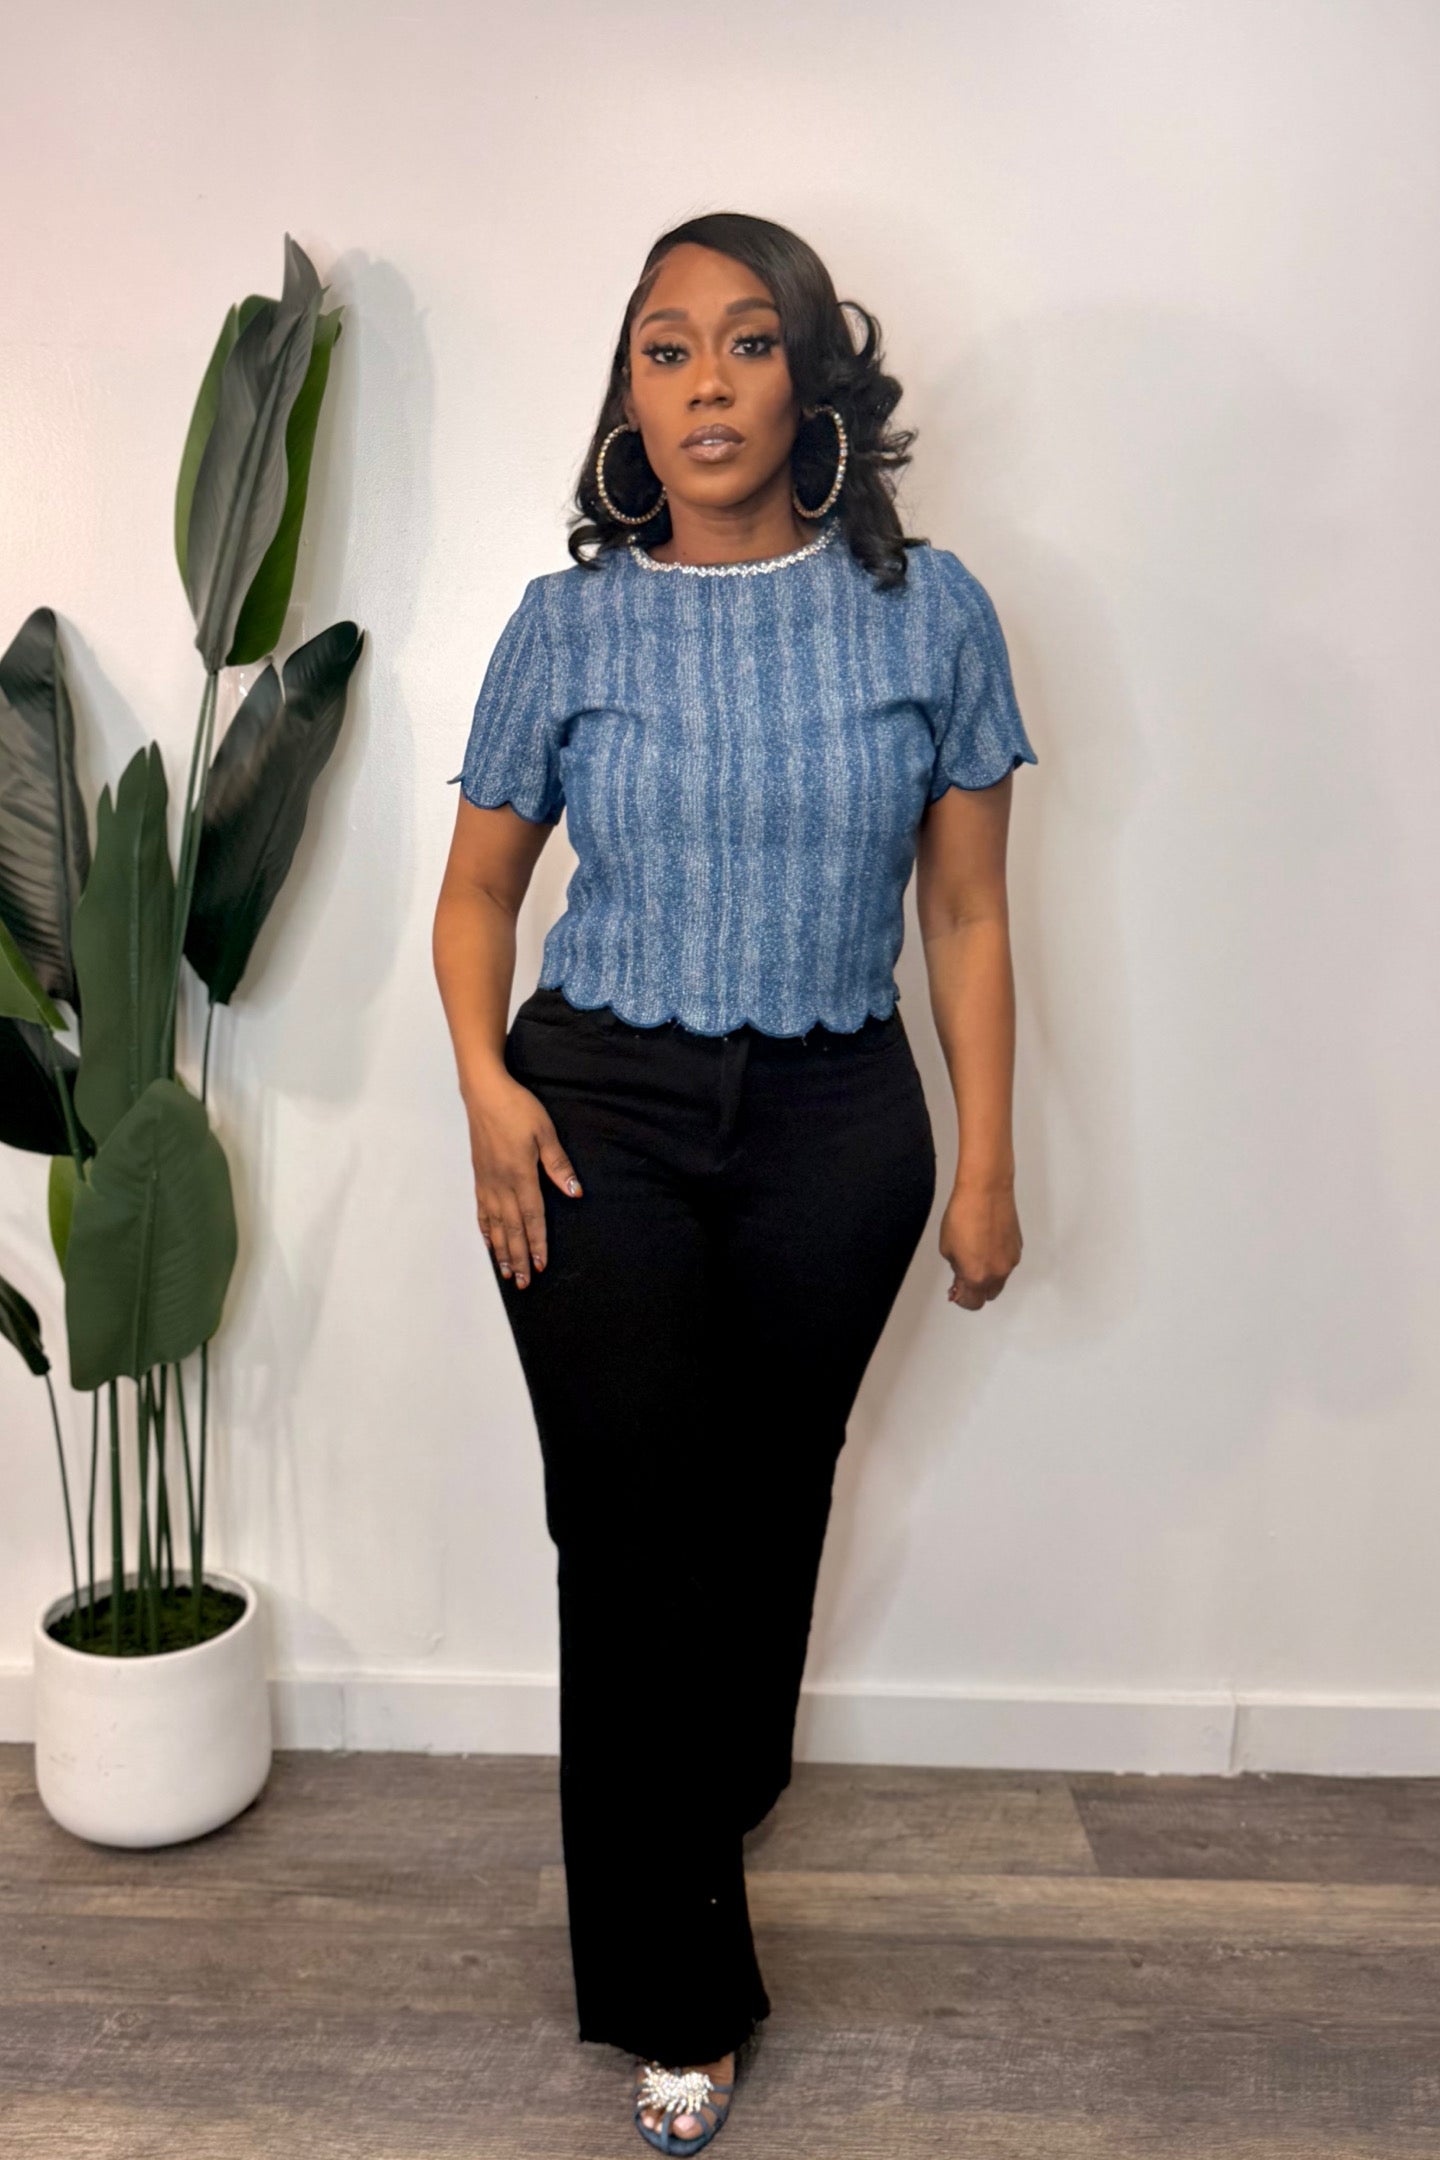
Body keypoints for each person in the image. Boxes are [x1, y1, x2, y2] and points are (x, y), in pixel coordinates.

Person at [432, 209, 1038, 2154]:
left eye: (748, 341)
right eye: (666, 347)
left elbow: (966, 914)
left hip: (835, 1126)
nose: (706, 381)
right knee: (629, 1542)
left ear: (811, 384)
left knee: (766, 1515)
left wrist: (988, 1161)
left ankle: (701, 1803)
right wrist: (484, 1090)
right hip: (592, 1114)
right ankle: (679, 1995)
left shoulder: (929, 613)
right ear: (629, 397)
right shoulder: (568, 628)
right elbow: (476, 895)